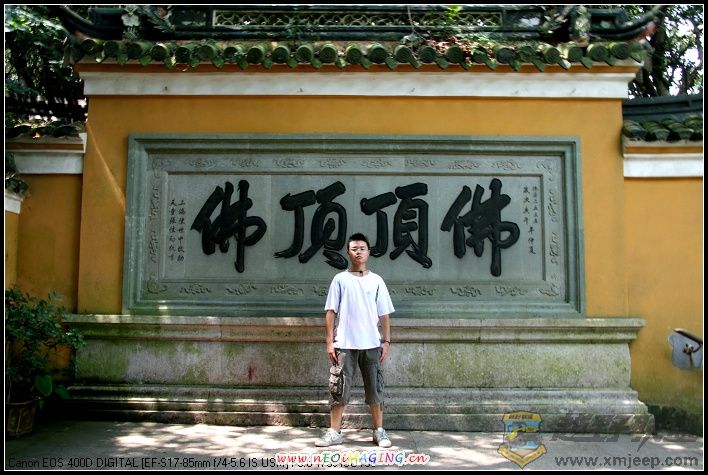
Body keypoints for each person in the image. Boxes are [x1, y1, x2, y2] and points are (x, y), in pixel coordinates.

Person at [315, 232, 395, 448]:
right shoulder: (340, 280)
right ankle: (334, 432)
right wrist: (329, 342)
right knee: (338, 388)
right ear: (348, 253)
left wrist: (386, 341)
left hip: (371, 344)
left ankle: (379, 431)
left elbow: (384, 314)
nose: (358, 252)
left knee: (375, 389)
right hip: (344, 344)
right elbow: (331, 311)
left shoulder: (376, 281)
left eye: (362, 248)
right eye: (354, 249)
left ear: (369, 252)